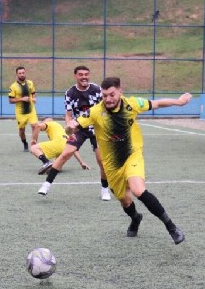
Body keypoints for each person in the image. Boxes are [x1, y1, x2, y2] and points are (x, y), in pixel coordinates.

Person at [66, 77, 192, 244]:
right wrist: (70, 128)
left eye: (112, 94)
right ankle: (135, 218)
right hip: (112, 165)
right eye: (104, 95)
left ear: (120, 91)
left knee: (138, 190)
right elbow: (74, 125)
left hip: (132, 155)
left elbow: (156, 103)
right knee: (125, 201)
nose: (108, 99)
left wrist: (179, 102)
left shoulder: (132, 104)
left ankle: (171, 227)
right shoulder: (95, 111)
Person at [38, 65, 111, 201]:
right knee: (65, 154)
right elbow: (68, 114)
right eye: (81, 74)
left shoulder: (97, 90)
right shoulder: (70, 93)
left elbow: (105, 109)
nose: (84, 77)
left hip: (97, 128)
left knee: (101, 161)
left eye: (86, 74)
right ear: (75, 76)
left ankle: (105, 189)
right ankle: (46, 185)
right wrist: (70, 126)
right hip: (79, 128)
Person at [8, 66, 38, 152]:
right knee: (22, 130)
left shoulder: (30, 83)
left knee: (35, 126)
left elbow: (33, 93)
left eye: (23, 73)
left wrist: (34, 98)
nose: (22, 75)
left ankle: (34, 145)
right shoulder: (13, 86)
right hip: (20, 112)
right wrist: (22, 99)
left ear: (25, 73)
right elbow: (10, 100)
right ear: (17, 74)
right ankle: (25, 143)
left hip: (31, 110)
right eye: (20, 73)